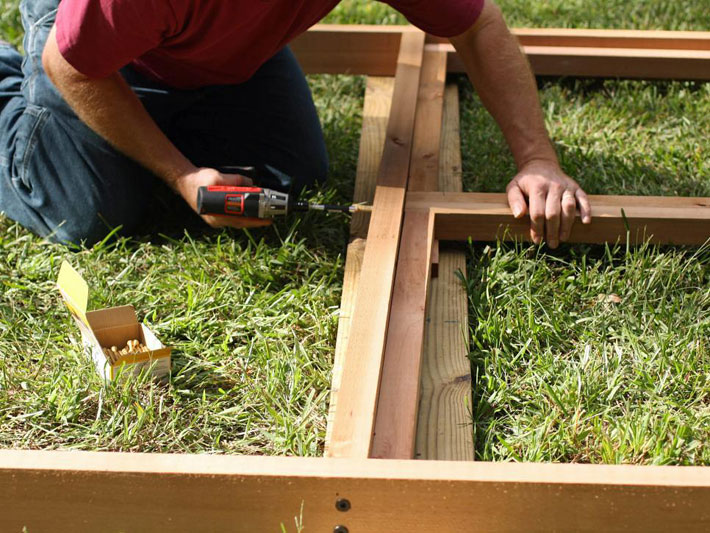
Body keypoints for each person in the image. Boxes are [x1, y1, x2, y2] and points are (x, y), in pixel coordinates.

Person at [0, 0, 591, 248]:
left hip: (208, 46)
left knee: (294, 175)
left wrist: (538, 160)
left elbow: (476, 26)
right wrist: (182, 176)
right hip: (90, 47)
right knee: (89, 213)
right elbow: (70, 67)